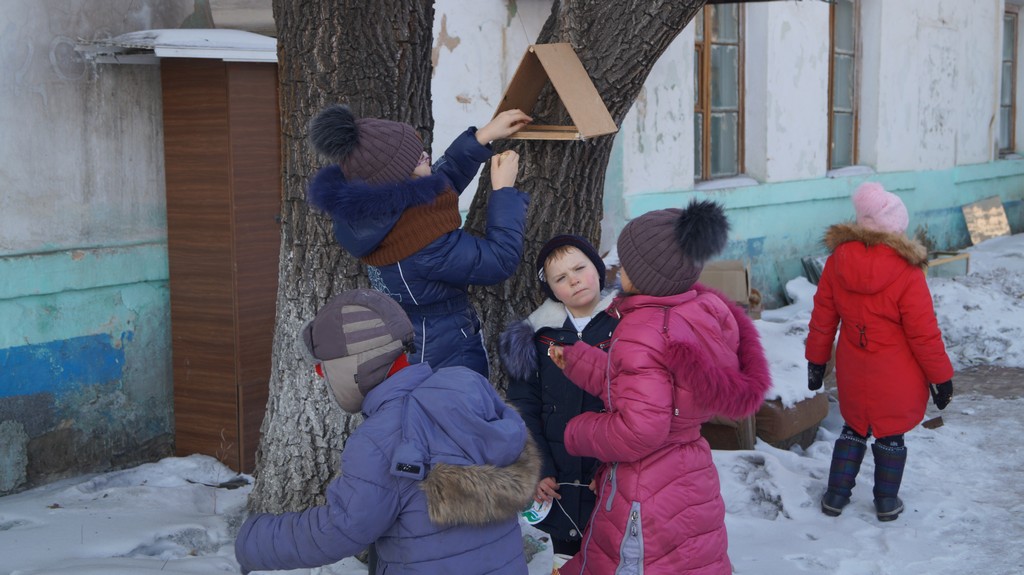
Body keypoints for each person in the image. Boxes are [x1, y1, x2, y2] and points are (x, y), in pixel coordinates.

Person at [234, 288, 540, 575]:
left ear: (353, 367)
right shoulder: (466, 387)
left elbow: (339, 529)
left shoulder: (381, 439)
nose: (322, 378)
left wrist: (254, 539)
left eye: (323, 369)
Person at [549, 200, 772, 575]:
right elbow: (648, 384)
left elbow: (641, 428)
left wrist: (576, 431)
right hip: (689, 473)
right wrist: (578, 360)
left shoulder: (644, 328)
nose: (620, 269)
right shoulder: (695, 312)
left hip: (646, 489)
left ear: (646, 275)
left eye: (626, 264)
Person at [306, 105, 533, 377]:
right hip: (443, 353)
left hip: (419, 335)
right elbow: (499, 260)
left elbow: (441, 180)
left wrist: (482, 136)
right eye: (417, 160)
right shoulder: (423, 243)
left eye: (421, 150)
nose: (426, 156)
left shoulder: (381, 216)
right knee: (465, 401)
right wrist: (504, 191)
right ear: (399, 182)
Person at [805, 182, 954, 522]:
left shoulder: (837, 261)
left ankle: (836, 495)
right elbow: (924, 334)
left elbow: (823, 318)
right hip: (895, 372)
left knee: (854, 426)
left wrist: (816, 360)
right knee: (891, 432)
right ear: (896, 229)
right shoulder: (907, 271)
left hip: (853, 368)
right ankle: (886, 501)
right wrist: (941, 378)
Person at [499, 234, 619, 557]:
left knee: (613, 555)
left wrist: (613, 466)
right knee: (567, 559)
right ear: (550, 289)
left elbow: (638, 406)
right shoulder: (537, 337)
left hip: (612, 478)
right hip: (560, 485)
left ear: (598, 268)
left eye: (580, 268)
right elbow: (523, 407)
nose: (574, 280)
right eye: (560, 278)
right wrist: (538, 466)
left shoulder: (626, 326)